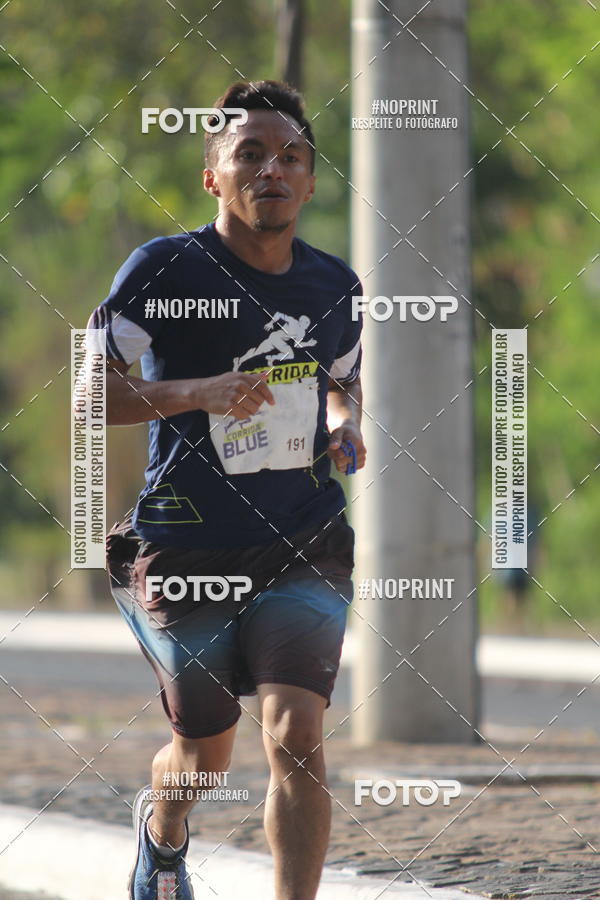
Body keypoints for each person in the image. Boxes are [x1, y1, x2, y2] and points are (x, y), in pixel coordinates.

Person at [91, 79, 366, 900]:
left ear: (312, 182)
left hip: (303, 534)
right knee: (205, 758)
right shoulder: (161, 269)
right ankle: (164, 826)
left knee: (298, 735)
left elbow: (343, 384)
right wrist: (199, 391)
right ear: (213, 174)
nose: (271, 169)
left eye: (291, 156)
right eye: (249, 154)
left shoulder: (334, 287)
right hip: (185, 540)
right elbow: (90, 398)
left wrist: (345, 423)